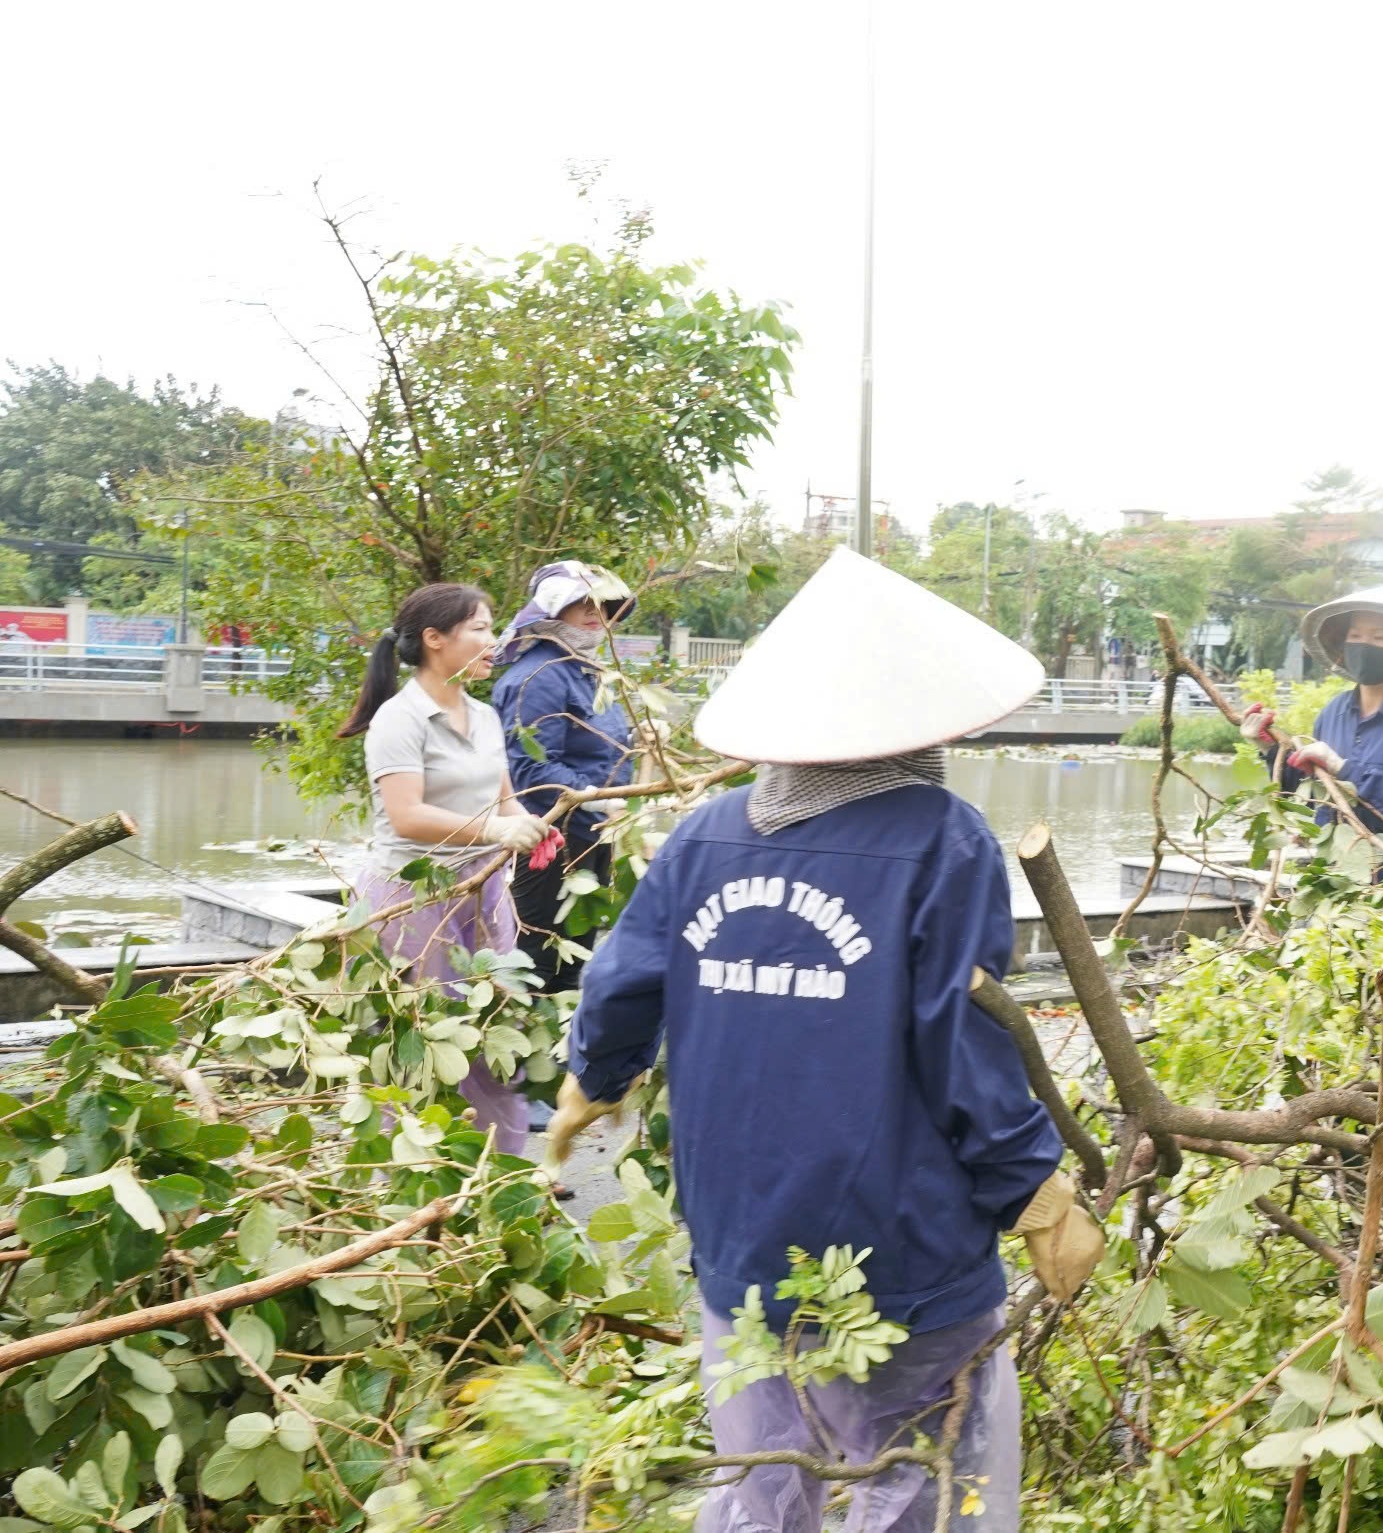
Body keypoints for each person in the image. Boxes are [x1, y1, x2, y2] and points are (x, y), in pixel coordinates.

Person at [548, 549, 1104, 1533]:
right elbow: (962, 1045)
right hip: (901, 1253)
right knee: (917, 1483)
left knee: (763, 1479)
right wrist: (1035, 1191)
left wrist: (592, 1081)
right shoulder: (944, 840)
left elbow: (622, 983)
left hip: (741, 1243)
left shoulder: (704, 834)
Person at [338, 583, 557, 1157]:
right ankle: (404, 1180)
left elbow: (503, 800)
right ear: (434, 640)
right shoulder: (399, 718)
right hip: (413, 898)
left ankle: (501, 1171)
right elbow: (407, 816)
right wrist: (493, 831)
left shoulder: (484, 715)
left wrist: (532, 824)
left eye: (493, 627)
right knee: (420, 1036)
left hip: (482, 890)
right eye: (481, 628)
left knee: (495, 1030)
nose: (495, 640)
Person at [1240, 582, 1383, 1027]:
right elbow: (1313, 794)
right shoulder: (1334, 713)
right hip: (1342, 894)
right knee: (1345, 1018)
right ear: (1342, 645)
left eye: (1381, 637)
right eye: (1357, 636)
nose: (1366, 645)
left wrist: (1345, 767)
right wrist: (1270, 749)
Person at [490, 561, 638, 998]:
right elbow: (531, 769)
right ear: (554, 609)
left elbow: (600, 747)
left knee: (577, 959)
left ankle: (565, 1057)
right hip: (548, 843)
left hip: (593, 836)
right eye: (583, 603)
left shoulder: (586, 668)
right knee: (536, 965)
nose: (597, 612)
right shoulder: (539, 676)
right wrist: (597, 799)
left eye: (604, 604)